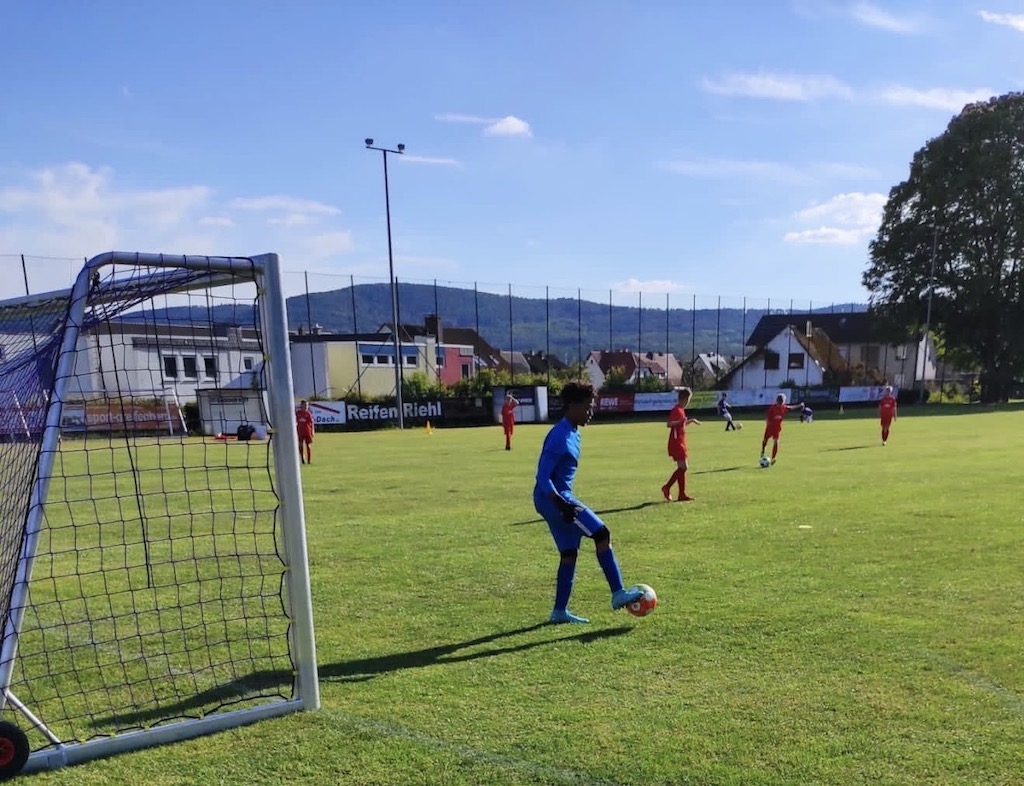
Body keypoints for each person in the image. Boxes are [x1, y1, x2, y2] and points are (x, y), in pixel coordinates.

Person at [533, 381, 644, 624]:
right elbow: (542, 476)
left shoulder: (573, 432)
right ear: (572, 406)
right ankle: (618, 593)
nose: (591, 411)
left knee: (569, 554)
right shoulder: (560, 436)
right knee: (602, 534)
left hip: (552, 498)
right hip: (554, 498)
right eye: (587, 406)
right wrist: (561, 504)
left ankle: (559, 612)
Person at [662, 387, 701, 502]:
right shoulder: (676, 410)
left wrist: (690, 421)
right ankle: (667, 487)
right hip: (676, 442)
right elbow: (669, 424)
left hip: (680, 441)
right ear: (684, 399)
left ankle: (681, 494)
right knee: (684, 467)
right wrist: (679, 421)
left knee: (682, 468)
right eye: (689, 400)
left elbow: (681, 425)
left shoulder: (681, 410)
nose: (688, 402)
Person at [760, 393, 802, 465]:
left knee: (776, 442)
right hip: (770, 428)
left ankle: (773, 458)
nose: (780, 404)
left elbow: (791, 408)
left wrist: (799, 405)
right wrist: (768, 421)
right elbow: (767, 417)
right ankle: (763, 450)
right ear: (777, 401)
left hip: (777, 429)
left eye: (782, 402)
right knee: (765, 440)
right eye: (780, 402)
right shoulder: (773, 408)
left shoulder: (784, 407)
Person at [295, 399, 314, 464]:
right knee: (300, 445)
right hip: (300, 431)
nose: (306, 406)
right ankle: (302, 458)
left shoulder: (308, 413)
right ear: (301, 405)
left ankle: (309, 460)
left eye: (307, 405)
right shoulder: (298, 413)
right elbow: (295, 421)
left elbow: (312, 423)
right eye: (305, 405)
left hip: (307, 431)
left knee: (308, 445)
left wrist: (312, 431)